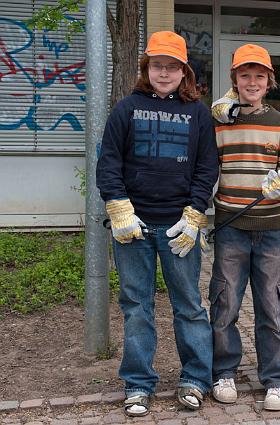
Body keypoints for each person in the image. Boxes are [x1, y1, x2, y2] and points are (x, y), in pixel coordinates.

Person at [96, 31, 218, 416]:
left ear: (185, 72)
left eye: (172, 67)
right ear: (146, 69)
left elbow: (206, 166)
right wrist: (119, 209)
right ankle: (137, 383)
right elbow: (109, 163)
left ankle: (196, 378)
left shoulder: (198, 113)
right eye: (157, 65)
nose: (164, 73)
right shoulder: (126, 108)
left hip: (178, 225)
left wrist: (195, 213)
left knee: (189, 305)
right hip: (133, 225)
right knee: (136, 305)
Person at [208, 43, 280, 411]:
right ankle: (223, 372)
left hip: (271, 228)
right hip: (230, 226)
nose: (252, 81)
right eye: (245, 75)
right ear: (235, 80)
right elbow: (206, 170)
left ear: (270, 81)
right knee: (225, 302)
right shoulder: (218, 122)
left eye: (260, 75)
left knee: (272, 305)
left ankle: (274, 379)